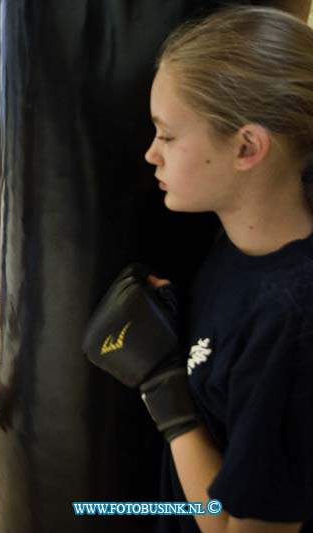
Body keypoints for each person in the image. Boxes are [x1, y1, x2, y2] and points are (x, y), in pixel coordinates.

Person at [83, 7, 313, 531]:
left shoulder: (293, 323)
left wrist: (164, 390)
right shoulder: (230, 249)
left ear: (247, 147)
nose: (150, 154)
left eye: (166, 135)